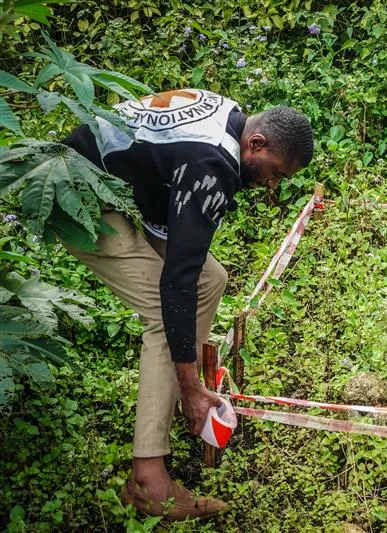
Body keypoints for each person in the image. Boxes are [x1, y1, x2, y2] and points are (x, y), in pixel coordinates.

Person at [62, 89, 314, 519]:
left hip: (117, 183)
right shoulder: (211, 165)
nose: (273, 185)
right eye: (276, 173)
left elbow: (179, 240)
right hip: (76, 194)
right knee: (164, 318)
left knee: (211, 277)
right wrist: (190, 385)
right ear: (256, 144)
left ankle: (180, 387)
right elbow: (175, 285)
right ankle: (147, 480)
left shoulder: (233, 117)